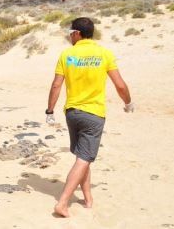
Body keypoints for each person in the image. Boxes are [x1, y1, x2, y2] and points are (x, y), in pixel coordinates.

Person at [45, 17, 134, 217]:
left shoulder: (67, 55)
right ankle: (63, 203)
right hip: (93, 114)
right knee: (85, 158)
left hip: (72, 113)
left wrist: (50, 111)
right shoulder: (104, 54)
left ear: (77, 33)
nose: (69, 35)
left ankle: (87, 198)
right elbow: (120, 85)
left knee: (82, 156)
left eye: (70, 32)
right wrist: (128, 103)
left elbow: (56, 85)